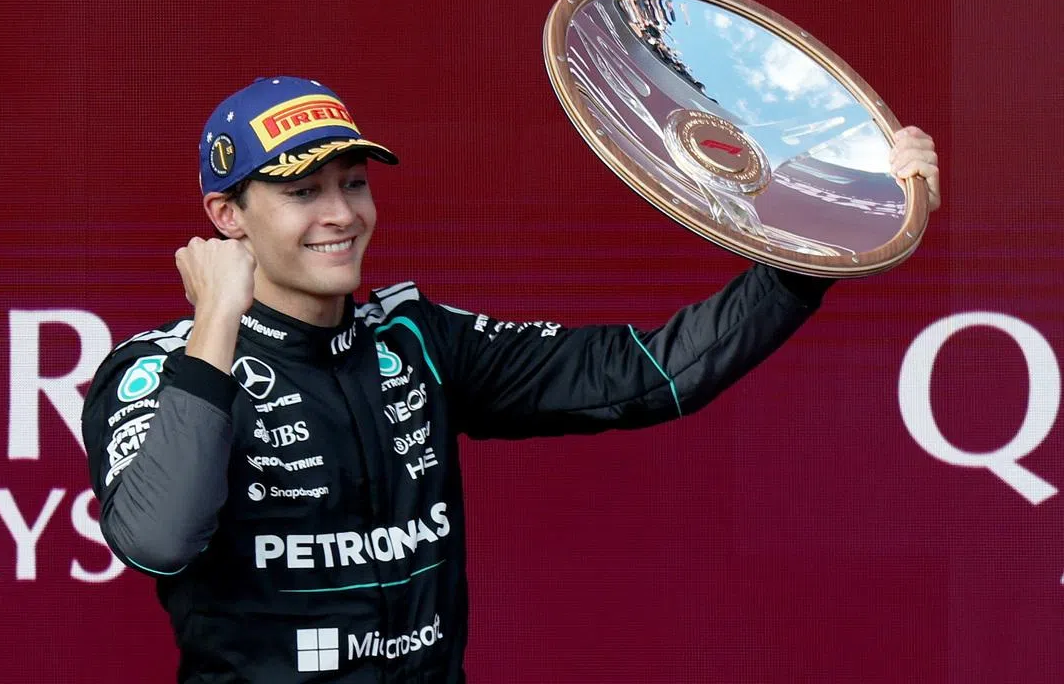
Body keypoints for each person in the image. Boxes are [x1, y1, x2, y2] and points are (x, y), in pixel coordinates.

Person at [81, 76, 940, 683]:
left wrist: (824, 245)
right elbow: (160, 539)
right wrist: (216, 326)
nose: (343, 214)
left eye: (352, 184)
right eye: (303, 193)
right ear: (227, 217)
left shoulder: (418, 340)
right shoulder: (158, 369)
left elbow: (652, 374)